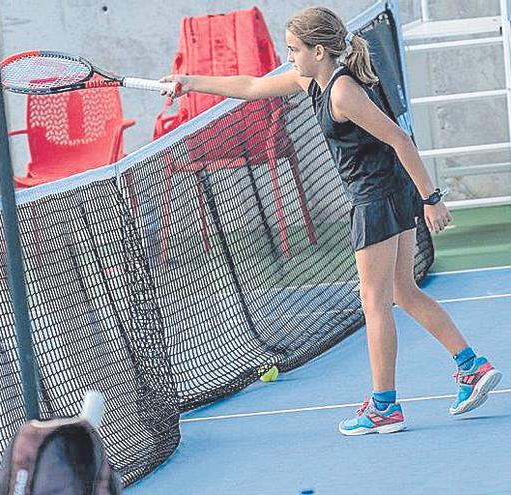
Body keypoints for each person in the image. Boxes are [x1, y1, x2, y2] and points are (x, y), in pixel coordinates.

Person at [161, 6, 502, 435]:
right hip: (389, 193)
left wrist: (431, 199)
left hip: (377, 200)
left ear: (318, 50)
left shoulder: (342, 93)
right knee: (403, 291)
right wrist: (189, 82)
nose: (289, 58)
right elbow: (251, 87)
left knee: (375, 305)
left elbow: (399, 138)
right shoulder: (311, 79)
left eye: (293, 50)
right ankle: (471, 366)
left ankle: (384, 407)